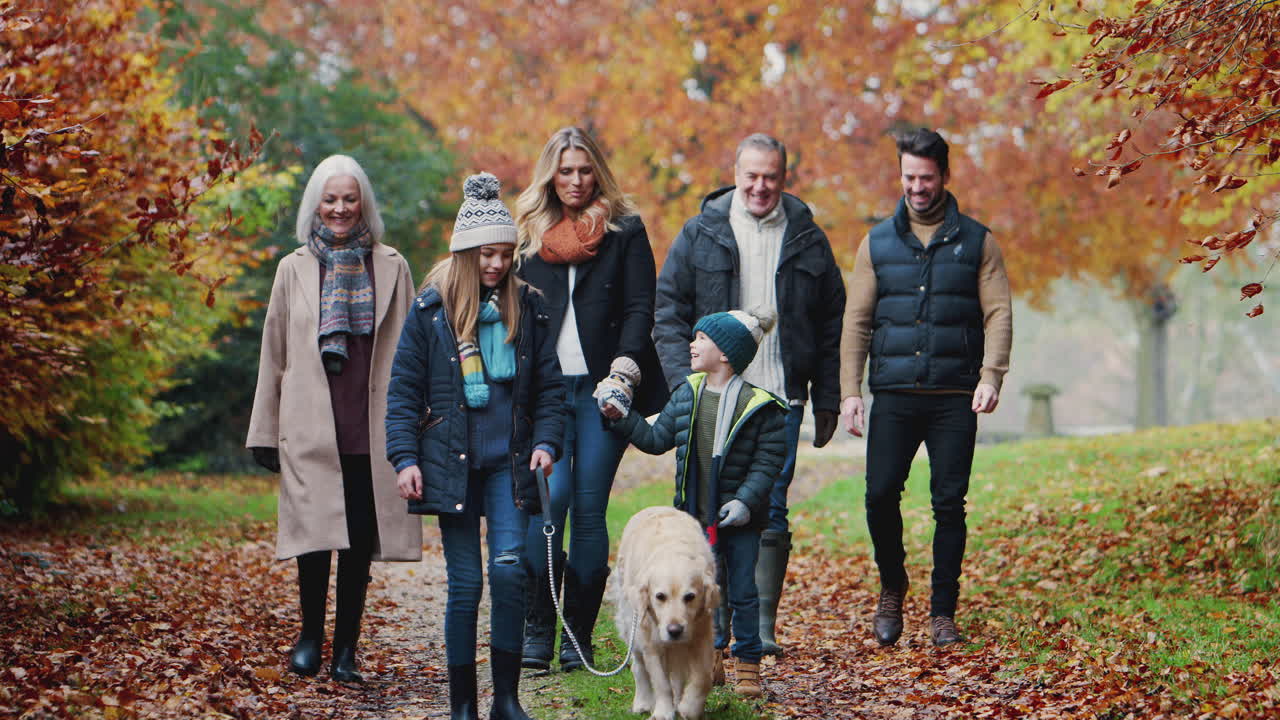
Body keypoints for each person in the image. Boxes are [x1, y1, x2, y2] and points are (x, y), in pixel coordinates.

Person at [654, 133, 845, 656]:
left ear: (784, 178)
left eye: (771, 177)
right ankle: (711, 630)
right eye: (752, 176)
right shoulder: (700, 232)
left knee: (769, 507)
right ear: (736, 175)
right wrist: (684, 383)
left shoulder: (808, 238)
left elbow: (832, 324)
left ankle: (758, 628)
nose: (761, 186)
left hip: (777, 399)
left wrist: (828, 396)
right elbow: (667, 311)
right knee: (707, 509)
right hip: (712, 398)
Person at [384, 173, 566, 720]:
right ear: (465, 253)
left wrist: (546, 441)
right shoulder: (430, 311)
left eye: (505, 255)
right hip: (452, 466)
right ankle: (462, 705)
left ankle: (506, 699)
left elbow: (550, 389)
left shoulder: (528, 307)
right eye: (487, 254)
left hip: (510, 465)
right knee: (465, 585)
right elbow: (403, 391)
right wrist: (405, 458)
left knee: (509, 571)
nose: (497, 264)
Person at [246, 154, 423, 683]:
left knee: (359, 539)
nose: (340, 208)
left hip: (371, 423)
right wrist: (263, 430)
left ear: (363, 203)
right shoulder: (293, 267)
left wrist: (417, 428)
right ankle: (309, 637)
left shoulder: (393, 265)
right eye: (330, 199)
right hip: (309, 422)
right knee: (315, 535)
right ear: (315, 205)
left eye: (349, 198)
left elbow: (413, 353)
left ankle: (346, 648)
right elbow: (273, 352)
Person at [839, 128, 1012, 647]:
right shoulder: (876, 243)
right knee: (879, 495)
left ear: (944, 176)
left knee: (949, 504)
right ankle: (892, 586)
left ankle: (942, 611)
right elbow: (856, 320)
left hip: (954, 395)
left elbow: (998, 313)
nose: (917, 187)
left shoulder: (978, 242)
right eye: (909, 177)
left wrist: (991, 375)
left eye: (926, 178)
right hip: (893, 393)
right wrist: (851, 391)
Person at [513, 127, 668, 672]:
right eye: (565, 171)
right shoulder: (528, 233)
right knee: (548, 501)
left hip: (605, 390)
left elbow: (640, 307)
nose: (576, 180)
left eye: (584, 170)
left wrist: (625, 370)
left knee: (589, 507)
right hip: (548, 393)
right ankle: (538, 625)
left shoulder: (625, 230)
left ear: (597, 172)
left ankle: (576, 636)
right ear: (550, 176)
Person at [609, 307, 787, 699]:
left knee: (742, 590)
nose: (692, 345)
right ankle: (711, 656)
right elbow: (656, 439)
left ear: (725, 352)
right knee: (700, 591)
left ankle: (748, 663)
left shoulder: (761, 406)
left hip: (740, 519)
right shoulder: (687, 394)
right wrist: (621, 416)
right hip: (693, 520)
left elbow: (767, 464)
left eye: (701, 339)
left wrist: (744, 502)